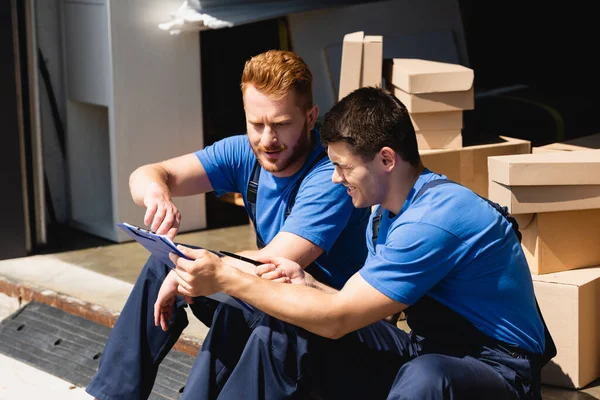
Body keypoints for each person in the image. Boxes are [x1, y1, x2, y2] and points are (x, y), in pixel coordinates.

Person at [170, 87, 555, 400]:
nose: (335, 179)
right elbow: (352, 303)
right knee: (284, 323)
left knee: (426, 376)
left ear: (386, 159)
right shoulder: (383, 207)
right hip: (427, 348)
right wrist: (307, 283)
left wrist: (226, 276)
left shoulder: (433, 219)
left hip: (498, 372)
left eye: (343, 166)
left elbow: (339, 319)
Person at [85, 50, 371, 400]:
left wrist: (193, 266)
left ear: (311, 118)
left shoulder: (329, 175)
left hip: (322, 323)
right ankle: (112, 395)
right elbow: (146, 174)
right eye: (256, 124)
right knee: (164, 261)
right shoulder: (243, 153)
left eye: (281, 124)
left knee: (231, 286)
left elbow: (269, 264)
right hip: (269, 302)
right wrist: (157, 193)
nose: (267, 140)